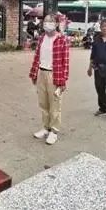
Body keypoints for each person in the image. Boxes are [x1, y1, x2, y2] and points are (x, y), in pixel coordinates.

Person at [29, 13, 70, 145]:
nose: (47, 23)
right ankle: (45, 127)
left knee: (55, 105)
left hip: (55, 74)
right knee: (43, 103)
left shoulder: (62, 39)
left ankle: (54, 131)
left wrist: (63, 80)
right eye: (45, 21)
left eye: (51, 21)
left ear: (56, 24)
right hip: (41, 72)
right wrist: (34, 74)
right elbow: (37, 57)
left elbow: (65, 62)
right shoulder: (42, 38)